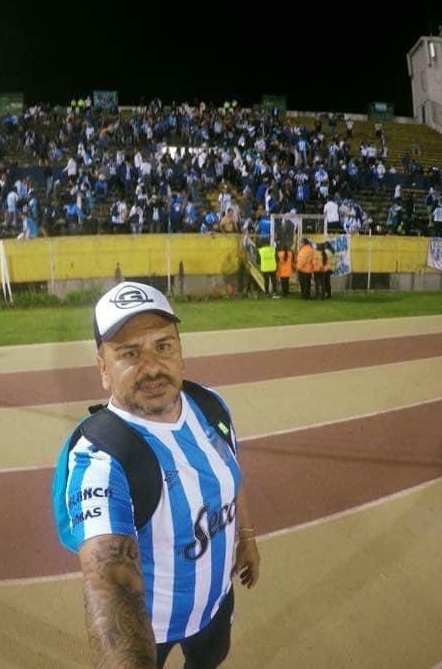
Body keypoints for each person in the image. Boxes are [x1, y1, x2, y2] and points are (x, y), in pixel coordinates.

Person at [54, 282, 260, 669]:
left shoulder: (210, 406)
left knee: (211, 659)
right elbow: (110, 584)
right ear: (103, 368)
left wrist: (246, 538)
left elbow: (233, 475)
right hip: (153, 629)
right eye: (130, 353)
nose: (151, 366)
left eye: (163, 346)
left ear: (181, 352)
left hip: (216, 602)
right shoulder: (100, 461)